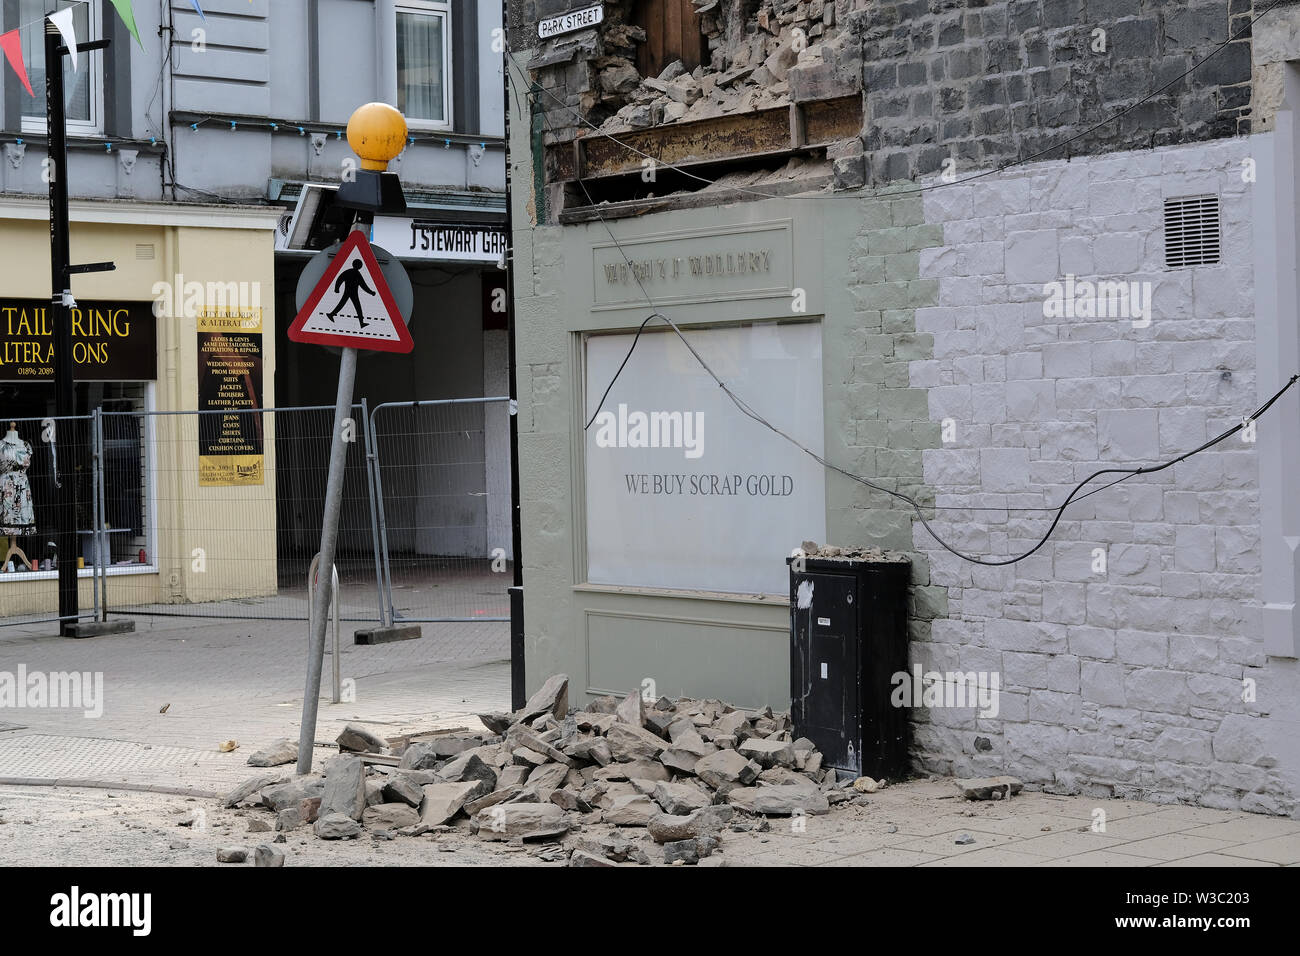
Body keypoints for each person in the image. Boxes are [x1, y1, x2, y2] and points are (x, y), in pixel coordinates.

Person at [325, 259, 375, 328]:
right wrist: (371, 292)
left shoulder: (349, 272)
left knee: (345, 304)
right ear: (358, 266)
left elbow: (340, 278)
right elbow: (363, 285)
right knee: (356, 306)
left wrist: (337, 288)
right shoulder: (357, 274)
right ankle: (361, 323)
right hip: (352, 292)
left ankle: (332, 314)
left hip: (350, 292)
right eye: (360, 265)